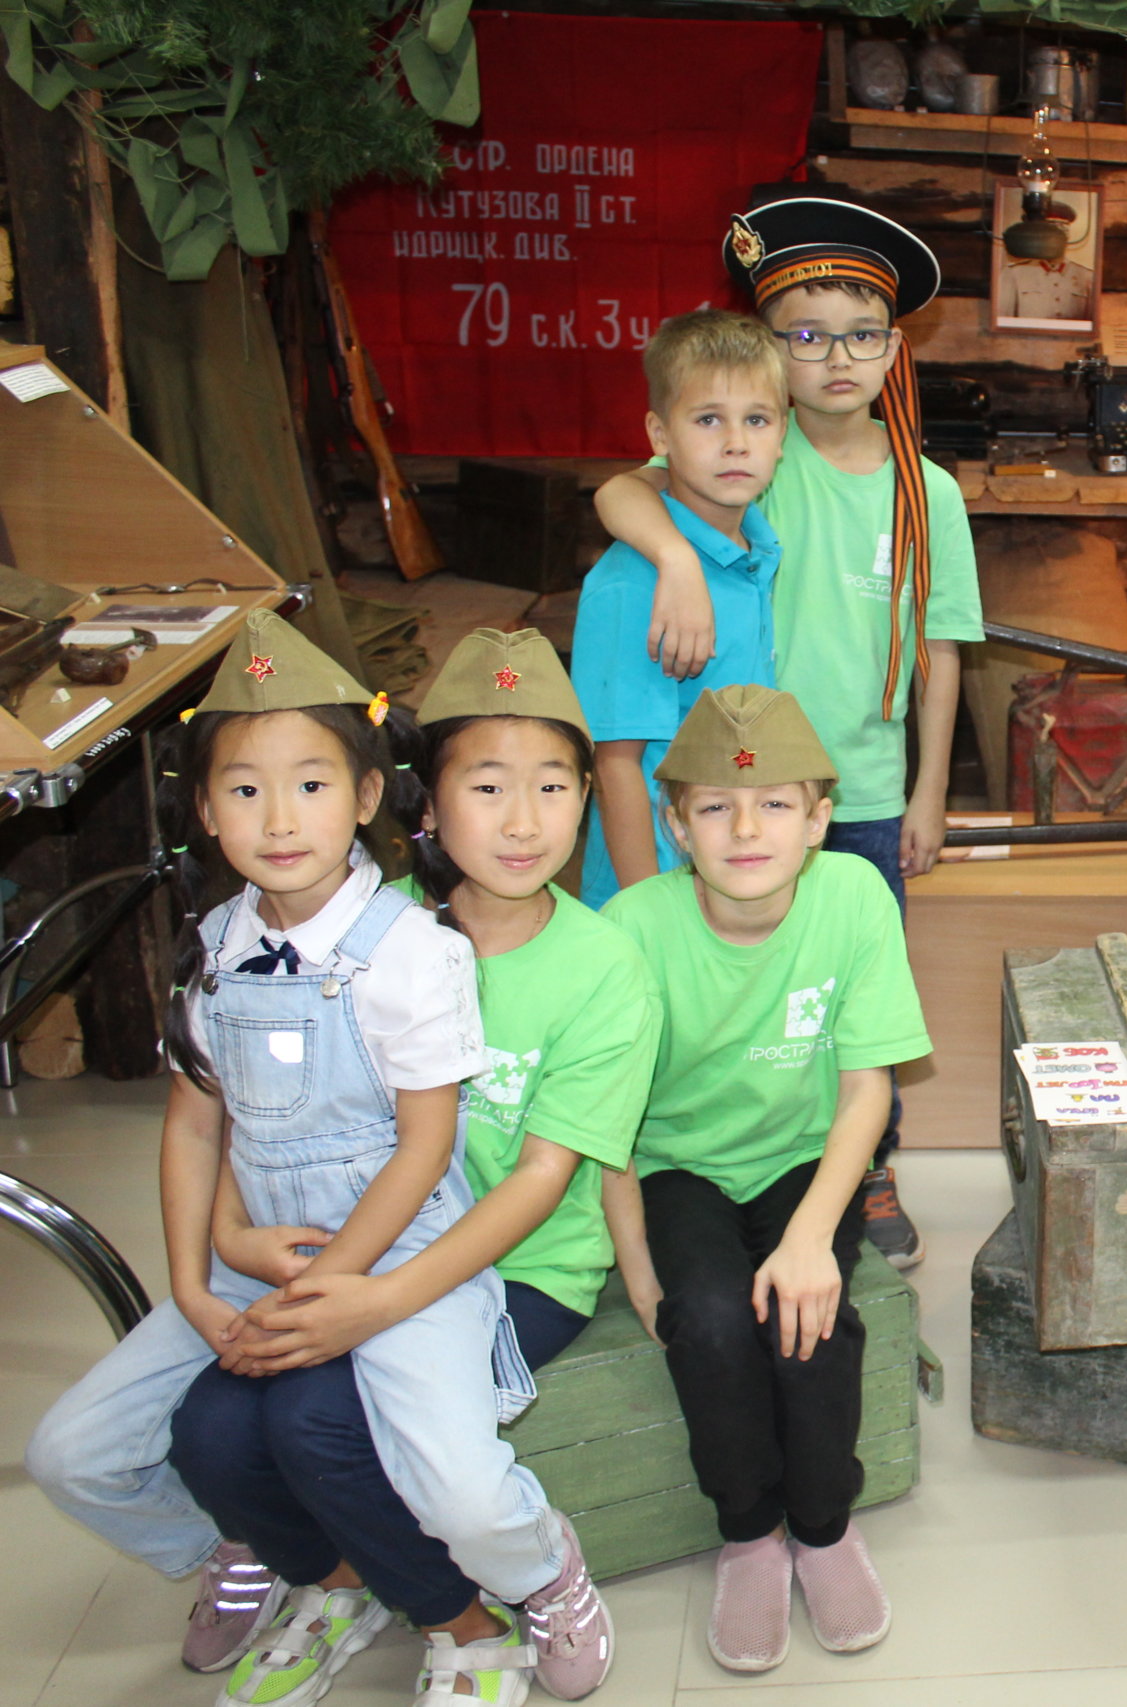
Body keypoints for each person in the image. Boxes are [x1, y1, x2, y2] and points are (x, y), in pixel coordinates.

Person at [26, 613, 600, 1707]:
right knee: (73, 1452)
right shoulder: (213, 947)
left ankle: (539, 1569)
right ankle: (285, 1558)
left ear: (370, 795)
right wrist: (196, 1283)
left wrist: (336, 1288)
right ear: (204, 809)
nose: (281, 819)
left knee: (460, 1488)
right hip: (254, 1259)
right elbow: (195, 1124)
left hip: (399, 1252)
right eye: (245, 790)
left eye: (311, 784)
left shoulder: (415, 954)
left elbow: (427, 1145)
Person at [595, 191, 981, 1268]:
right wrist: (675, 556)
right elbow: (623, 489)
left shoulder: (927, 493)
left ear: (894, 348)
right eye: (805, 338)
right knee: (746, 982)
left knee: (856, 992)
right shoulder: (758, 459)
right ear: (770, 353)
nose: (837, 359)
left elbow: (941, 650)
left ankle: (868, 1165)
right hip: (747, 788)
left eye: (861, 335)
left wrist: (930, 793)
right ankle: (741, 1156)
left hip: (864, 789)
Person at [602, 685, 930, 1674]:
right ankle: (748, 1533)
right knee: (706, 1319)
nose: (746, 830)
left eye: (776, 804)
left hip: (804, 1154)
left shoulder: (854, 896)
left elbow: (868, 1091)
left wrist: (812, 1235)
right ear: (676, 825)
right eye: (715, 807)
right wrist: (640, 1272)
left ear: (819, 819)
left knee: (811, 1317)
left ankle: (823, 1528)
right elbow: (605, 1125)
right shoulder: (632, 927)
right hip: (678, 1161)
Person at [571, 308, 786, 909]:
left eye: (757, 419)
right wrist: (651, 917)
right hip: (659, 888)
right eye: (708, 419)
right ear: (660, 434)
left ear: (782, 436)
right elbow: (615, 766)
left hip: (732, 872)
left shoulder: (756, 552)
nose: (736, 442)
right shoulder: (635, 583)